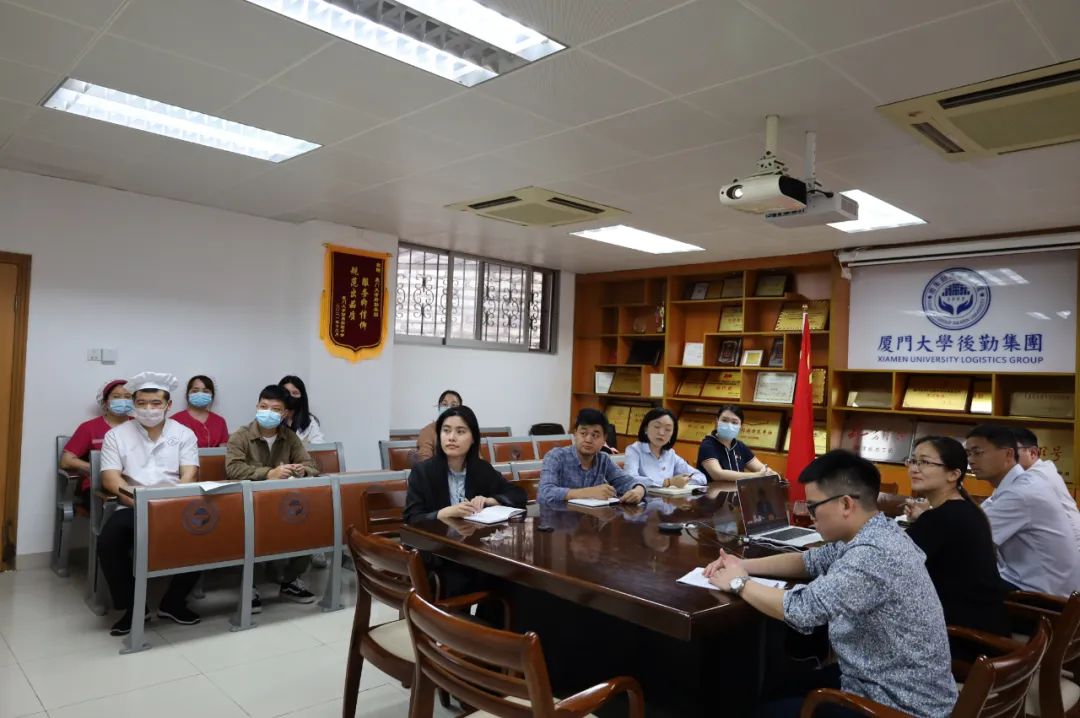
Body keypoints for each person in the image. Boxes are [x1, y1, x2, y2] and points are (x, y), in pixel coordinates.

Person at [704, 450, 958, 718]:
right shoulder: (877, 530)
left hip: (897, 705)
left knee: (765, 709)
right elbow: (809, 561)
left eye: (813, 506)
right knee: (774, 686)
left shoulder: (872, 554)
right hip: (876, 678)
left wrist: (739, 582)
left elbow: (802, 609)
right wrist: (744, 565)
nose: (810, 515)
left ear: (846, 504)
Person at [97, 372, 200, 636]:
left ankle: (173, 602)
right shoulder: (116, 435)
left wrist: (173, 501)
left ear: (168, 405)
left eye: (156, 403)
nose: (148, 409)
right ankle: (134, 607)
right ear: (133, 404)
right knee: (109, 540)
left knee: (204, 531)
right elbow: (111, 479)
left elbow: (190, 474)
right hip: (132, 505)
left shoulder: (184, 433)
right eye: (141, 403)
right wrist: (138, 500)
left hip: (175, 504)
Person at [903, 436, 1008, 636]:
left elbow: (888, 557)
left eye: (925, 462)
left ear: (953, 474)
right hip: (979, 622)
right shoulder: (963, 509)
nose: (914, 468)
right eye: (913, 461)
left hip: (963, 635)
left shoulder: (944, 518)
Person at [226, 384, 320, 607]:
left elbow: (312, 465)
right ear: (257, 406)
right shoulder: (240, 436)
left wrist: (301, 470)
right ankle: (250, 585)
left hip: (282, 503)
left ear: (285, 413)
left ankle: (290, 581)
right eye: (263, 406)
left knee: (311, 527)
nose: (267, 412)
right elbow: (233, 469)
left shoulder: (289, 437)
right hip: (248, 504)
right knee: (250, 532)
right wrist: (269, 473)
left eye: (275, 409)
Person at [966, 424, 1080, 596]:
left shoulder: (1022, 492)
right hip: (1042, 583)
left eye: (977, 452)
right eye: (968, 453)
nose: (971, 460)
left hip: (1041, 596)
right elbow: (981, 516)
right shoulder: (1019, 482)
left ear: (1008, 454)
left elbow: (970, 537)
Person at [403, 405, 527, 525]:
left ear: (473, 438)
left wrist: (491, 500)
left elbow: (518, 495)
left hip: (476, 537)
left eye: (460, 431)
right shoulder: (422, 472)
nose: (451, 437)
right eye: (446, 431)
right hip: (437, 538)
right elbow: (411, 518)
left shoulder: (482, 469)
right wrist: (443, 513)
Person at [537, 408, 645, 504]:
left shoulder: (603, 460)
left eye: (595, 435)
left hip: (593, 518)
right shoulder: (556, 457)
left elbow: (628, 482)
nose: (588, 440)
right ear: (575, 433)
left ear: (604, 438)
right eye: (583, 433)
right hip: (560, 518)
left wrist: (639, 491)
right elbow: (544, 493)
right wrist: (589, 492)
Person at [60, 378, 131, 503]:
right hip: (99, 488)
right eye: (116, 397)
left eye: (127, 397)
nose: (123, 400)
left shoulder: (140, 425)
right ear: (105, 402)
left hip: (135, 484)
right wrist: (101, 469)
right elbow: (66, 461)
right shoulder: (89, 428)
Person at [1013, 427, 1080, 552]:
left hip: (1069, 552)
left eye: (1012, 452)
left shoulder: (1035, 478)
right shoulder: (1043, 469)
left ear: (1033, 453)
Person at [623, 408, 705, 488]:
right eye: (657, 427)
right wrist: (668, 482)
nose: (661, 433)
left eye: (668, 429)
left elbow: (701, 477)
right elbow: (629, 479)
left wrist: (683, 481)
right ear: (646, 428)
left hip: (668, 497)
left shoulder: (670, 453)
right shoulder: (634, 450)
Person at [696, 405, 775, 482]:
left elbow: (761, 468)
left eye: (734, 422)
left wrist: (772, 474)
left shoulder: (740, 446)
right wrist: (756, 475)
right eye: (724, 420)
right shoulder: (708, 445)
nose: (729, 425)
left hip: (736, 490)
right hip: (712, 490)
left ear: (741, 426)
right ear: (717, 422)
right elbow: (717, 474)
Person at [170, 375, 229, 448]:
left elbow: (223, 450)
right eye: (195, 391)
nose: (200, 394)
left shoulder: (220, 421)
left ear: (212, 395)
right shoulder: (174, 421)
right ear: (187, 395)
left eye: (206, 391)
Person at [416, 390, 462, 462]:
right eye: (444, 404)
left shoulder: (466, 431)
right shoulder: (428, 431)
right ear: (439, 408)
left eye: (453, 405)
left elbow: (476, 459)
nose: (448, 408)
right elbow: (424, 461)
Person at [279, 375, 325, 445]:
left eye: (295, 393)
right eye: (286, 393)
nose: (290, 396)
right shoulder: (271, 417)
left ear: (302, 397)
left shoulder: (309, 421)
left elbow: (319, 445)